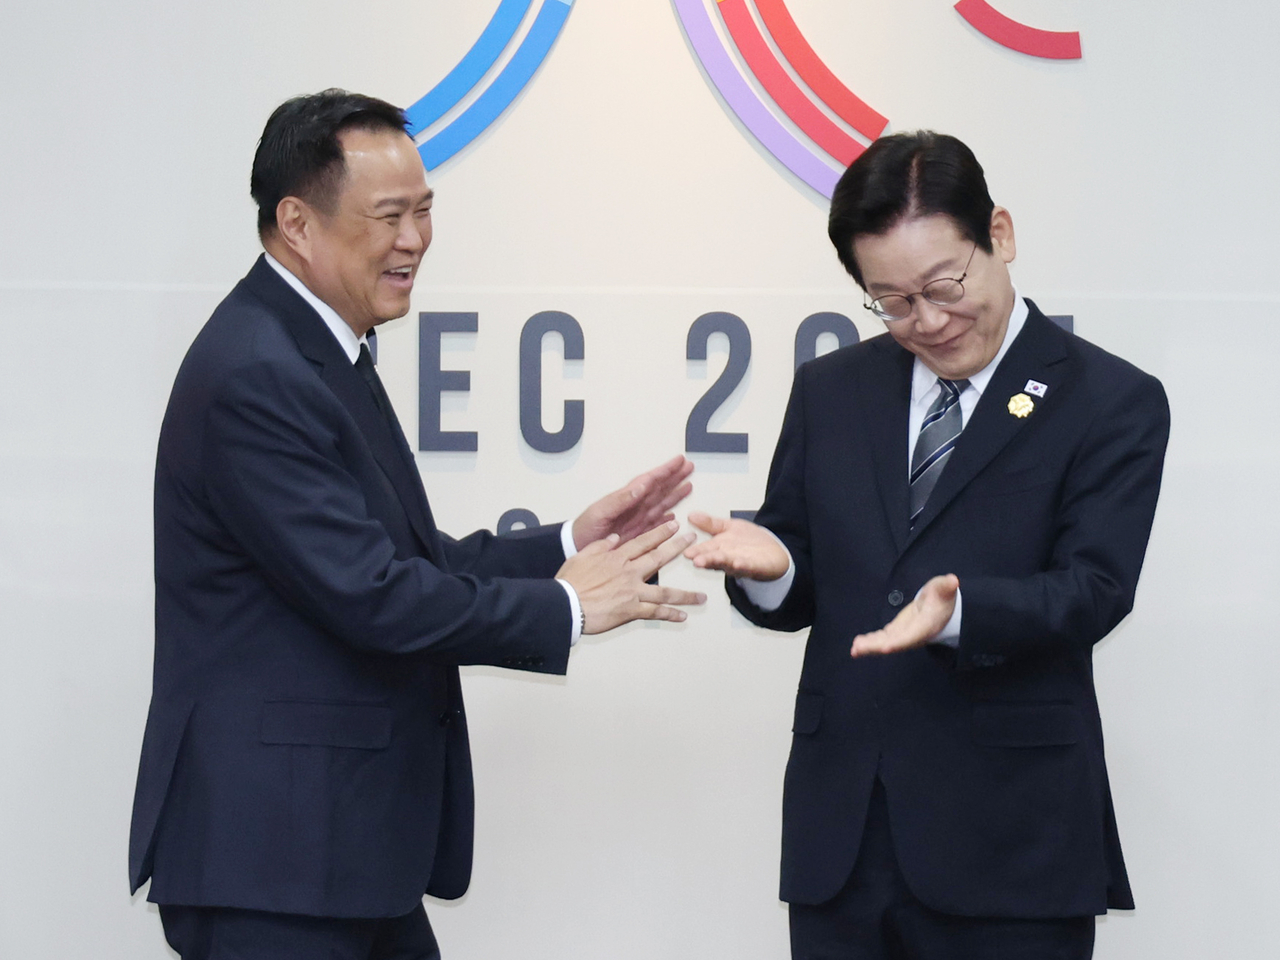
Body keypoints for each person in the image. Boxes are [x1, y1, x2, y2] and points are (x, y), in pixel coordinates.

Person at [127, 89, 704, 960]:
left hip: (338, 855)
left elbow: (406, 557)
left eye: (425, 211)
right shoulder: (257, 371)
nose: (415, 240)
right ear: (297, 223)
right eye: (389, 215)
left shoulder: (318, 348)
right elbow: (374, 596)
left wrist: (566, 545)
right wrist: (567, 610)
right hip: (278, 866)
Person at [686, 131, 1169, 959]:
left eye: (946, 285)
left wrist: (960, 611)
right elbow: (799, 572)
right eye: (895, 301)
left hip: (1012, 843)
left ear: (1001, 236)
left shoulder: (1110, 399)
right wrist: (776, 569)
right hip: (844, 840)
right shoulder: (832, 390)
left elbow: (1094, 588)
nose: (931, 320)